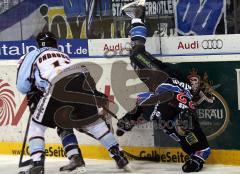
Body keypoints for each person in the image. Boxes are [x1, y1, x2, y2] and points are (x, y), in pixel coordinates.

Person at [116, 1, 211, 173]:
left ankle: (138, 18)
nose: (181, 130)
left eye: (182, 129)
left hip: (172, 88)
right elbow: (143, 101)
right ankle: (138, 13)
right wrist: (127, 121)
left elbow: (204, 150)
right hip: (163, 78)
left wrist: (196, 160)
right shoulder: (175, 113)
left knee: (148, 110)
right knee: (136, 54)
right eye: (183, 127)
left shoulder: (186, 130)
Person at [16, 31, 130, 174]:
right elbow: (84, 73)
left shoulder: (33, 54)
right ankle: (119, 156)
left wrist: (33, 90)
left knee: (36, 126)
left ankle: (37, 164)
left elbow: (22, 85)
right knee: (94, 125)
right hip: (81, 85)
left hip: (58, 87)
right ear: (55, 43)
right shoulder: (64, 56)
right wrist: (94, 93)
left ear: (38, 44)